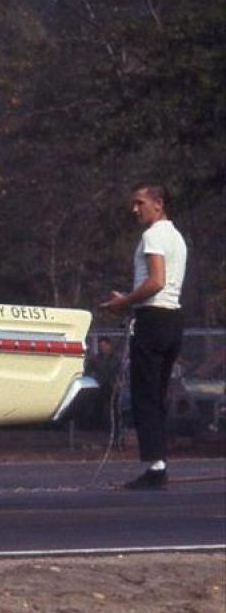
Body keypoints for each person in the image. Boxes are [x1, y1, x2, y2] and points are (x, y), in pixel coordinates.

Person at [99, 185, 188, 490]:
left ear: (158, 204)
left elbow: (156, 281)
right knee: (156, 393)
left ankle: (155, 467)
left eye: (140, 203)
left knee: (145, 395)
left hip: (154, 320)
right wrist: (130, 299)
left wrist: (124, 302)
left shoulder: (153, 235)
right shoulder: (176, 236)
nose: (134, 209)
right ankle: (158, 462)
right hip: (173, 319)